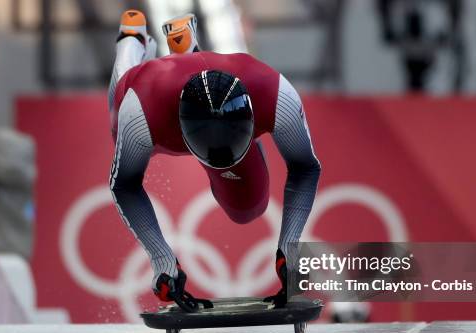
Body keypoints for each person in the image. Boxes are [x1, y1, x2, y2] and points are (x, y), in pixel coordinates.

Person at [108, 10, 321, 311]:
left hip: (199, 115)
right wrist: (162, 259)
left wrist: (290, 248)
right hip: (157, 103)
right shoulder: (140, 111)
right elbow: (124, 186)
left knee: (248, 208)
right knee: (117, 108)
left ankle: (185, 52)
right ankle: (132, 39)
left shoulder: (274, 93)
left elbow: (306, 167)